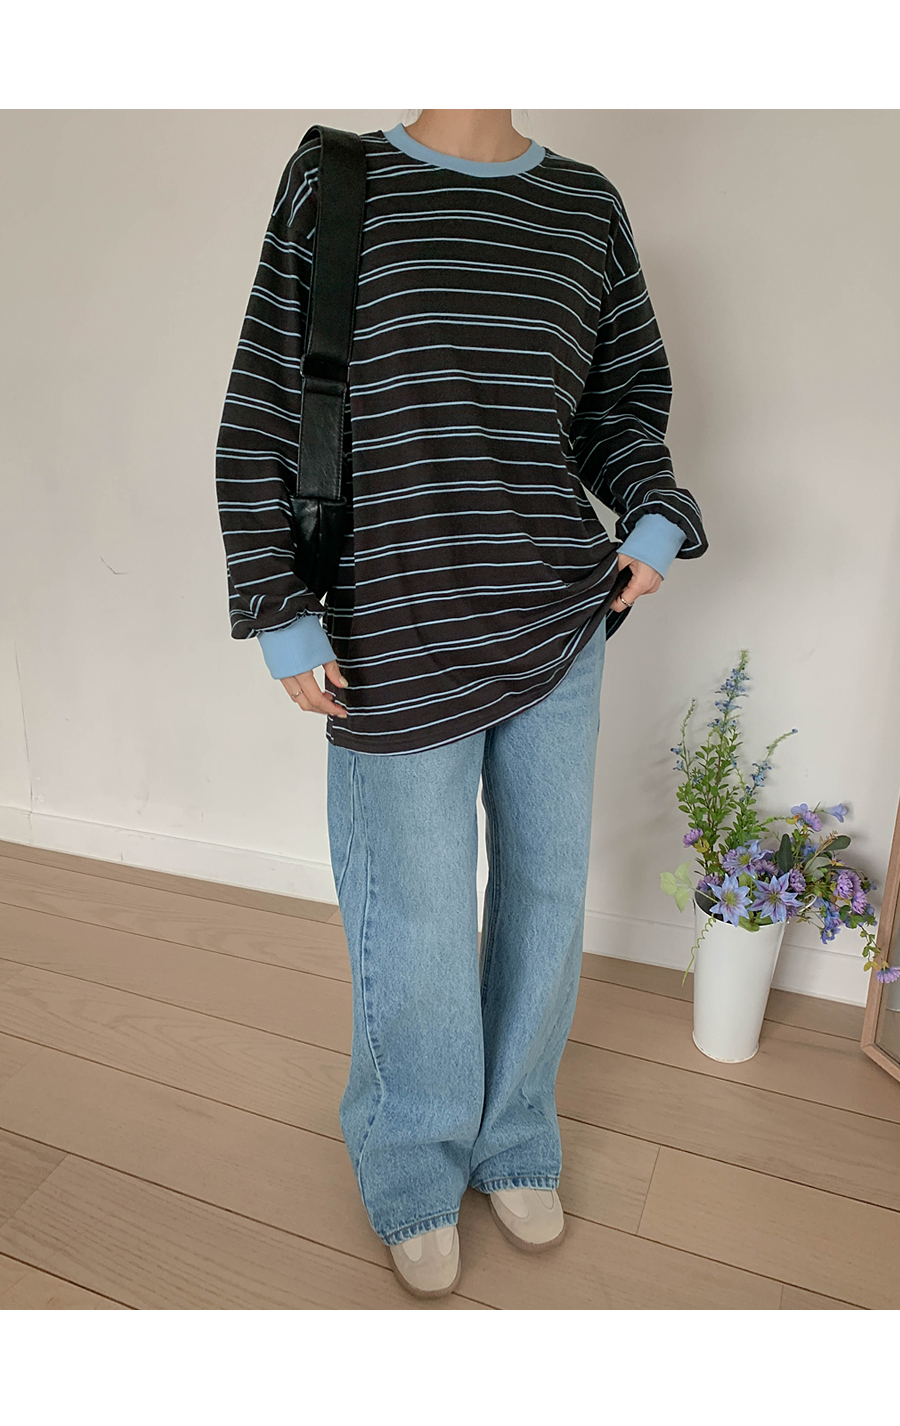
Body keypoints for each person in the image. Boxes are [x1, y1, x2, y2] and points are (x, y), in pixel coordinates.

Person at [215, 109, 708, 1298]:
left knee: (544, 890)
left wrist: (653, 506)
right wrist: (277, 599)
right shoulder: (337, 178)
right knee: (417, 913)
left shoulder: (584, 205)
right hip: (389, 624)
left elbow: (619, 402)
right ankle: (413, 1154)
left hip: (555, 616)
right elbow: (266, 401)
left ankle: (516, 1131)